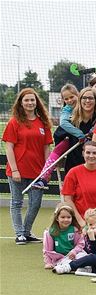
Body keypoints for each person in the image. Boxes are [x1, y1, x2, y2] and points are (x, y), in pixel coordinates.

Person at [2, 88, 53, 244]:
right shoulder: (14, 122)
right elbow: (8, 147)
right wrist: (15, 169)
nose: (30, 103)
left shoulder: (43, 123)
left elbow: (46, 148)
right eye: (27, 100)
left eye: (32, 100)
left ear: (36, 102)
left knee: (35, 203)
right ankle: (19, 234)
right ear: (21, 103)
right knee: (16, 202)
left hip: (37, 172)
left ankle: (26, 231)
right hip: (17, 171)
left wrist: (47, 170)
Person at [31, 84, 84, 189]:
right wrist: (80, 134)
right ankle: (43, 177)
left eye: (72, 97)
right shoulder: (66, 109)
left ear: (78, 95)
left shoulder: (84, 105)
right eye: (66, 99)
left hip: (81, 145)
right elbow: (63, 123)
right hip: (68, 137)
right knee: (58, 150)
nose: (69, 100)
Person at [52, 208, 96, 275]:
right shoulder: (88, 233)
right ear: (87, 225)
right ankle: (69, 266)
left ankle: (90, 270)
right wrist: (92, 240)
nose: (94, 226)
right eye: (90, 224)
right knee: (94, 257)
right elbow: (93, 253)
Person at [57, 87, 96, 172]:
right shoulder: (70, 121)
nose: (87, 101)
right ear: (80, 100)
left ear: (95, 101)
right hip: (73, 166)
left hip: (94, 167)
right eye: (84, 98)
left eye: (91, 98)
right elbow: (57, 136)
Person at [43, 204, 86, 269]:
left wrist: (74, 251)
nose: (66, 220)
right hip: (59, 258)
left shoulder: (75, 230)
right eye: (63, 217)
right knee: (67, 263)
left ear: (72, 218)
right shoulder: (50, 232)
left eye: (68, 217)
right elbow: (47, 250)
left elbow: (80, 244)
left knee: (86, 258)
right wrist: (48, 263)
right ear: (57, 218)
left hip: (74, 255)